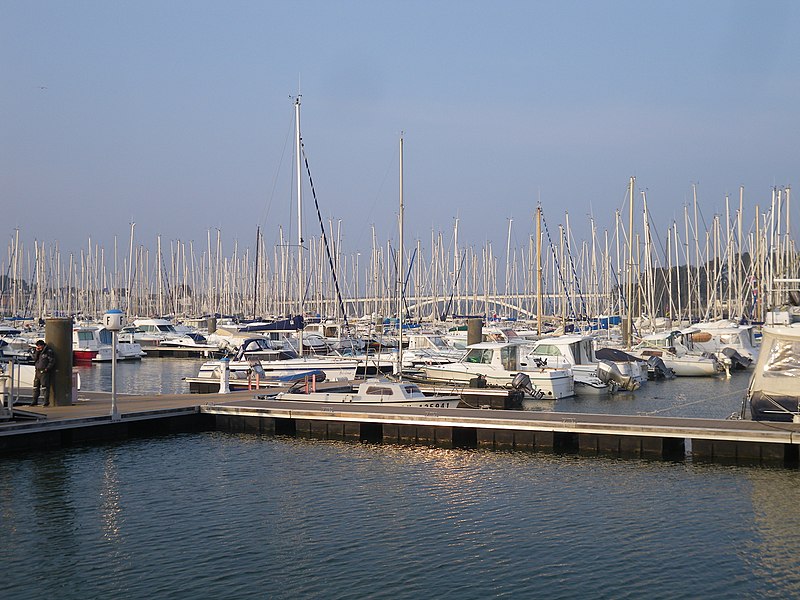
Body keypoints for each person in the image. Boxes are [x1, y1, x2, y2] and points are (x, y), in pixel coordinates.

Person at [30, 339, 56, 407]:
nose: (39, 347)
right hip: (37, 371)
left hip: (44, 371)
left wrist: (47, 368)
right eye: (37, 346)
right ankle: (34, 401)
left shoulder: (48, 351)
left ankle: (46, 401)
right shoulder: (38, 351)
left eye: (39, 346)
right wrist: (37, 352)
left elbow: (52, 361)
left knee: (44, 387)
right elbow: (35, 359)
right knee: (35, 386)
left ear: (43, 345)